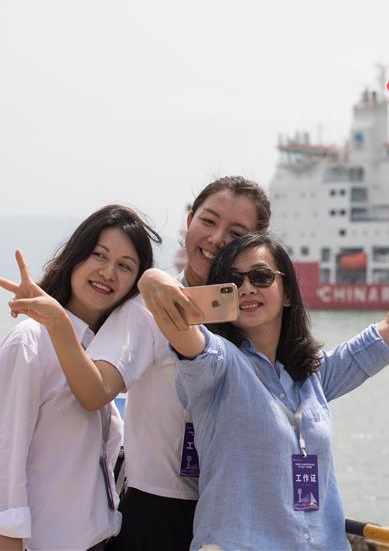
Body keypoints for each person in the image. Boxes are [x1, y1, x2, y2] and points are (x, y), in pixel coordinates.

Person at [141, 190, 389, 550]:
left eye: (261, 277)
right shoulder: (220, 365)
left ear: (288, 293)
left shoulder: (313, 375)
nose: (247, 287)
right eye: (234, 281)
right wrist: (152, 278)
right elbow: (180, 331)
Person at [26, 176, 271, 550]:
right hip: (158, 511)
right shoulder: (145, 310)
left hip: (236, 515)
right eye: (208, 221)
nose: (216, 238)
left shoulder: (256, 318)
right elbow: (95, 390)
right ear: (189, 221)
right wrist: (59, 323)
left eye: (236, 231)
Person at [0, 205, 161, 551]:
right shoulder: (29, 343)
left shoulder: (103, 356)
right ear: (75, 257)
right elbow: (1, 474)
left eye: (125, 266)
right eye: (99, 255)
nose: (108, 272)